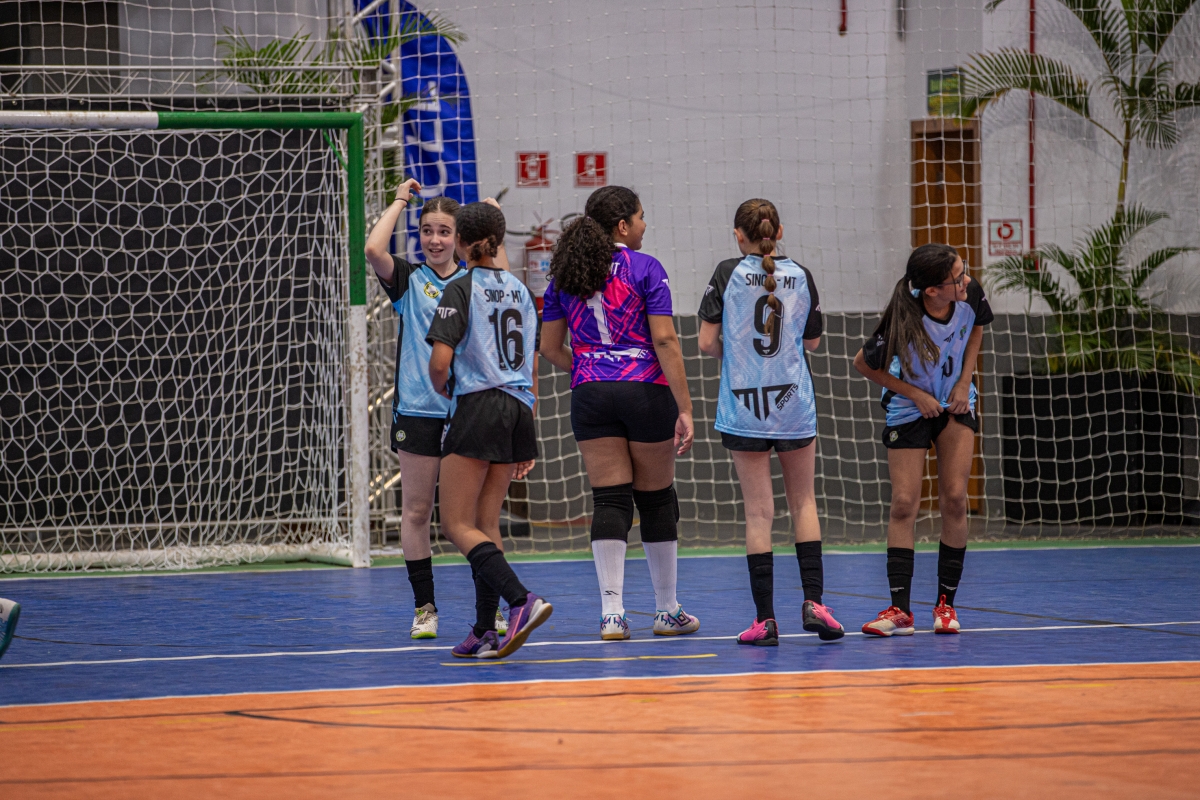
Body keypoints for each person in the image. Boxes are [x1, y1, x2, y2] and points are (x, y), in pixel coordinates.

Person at [539, 185, 699, 641]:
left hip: (591, 392)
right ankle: (666, 611)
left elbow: (549, 348)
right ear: (623, 225)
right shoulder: (645, 267)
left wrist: (591, 368)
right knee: (656, 498)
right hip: (644, 389)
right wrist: (685, 407)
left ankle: (612, 614)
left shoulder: (565, 272)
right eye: (641, 216)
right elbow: (665, 340)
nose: (646, 225)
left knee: (609, 499)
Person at [366, 181, 512, 639]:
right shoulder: (409, 280)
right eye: (427, 230)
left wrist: (493, 224)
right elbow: (373, 249)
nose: (434, 239)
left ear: (459, 237)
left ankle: (491, 609)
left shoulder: (476, 281)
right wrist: (400, 200)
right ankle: (424, 608)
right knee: (416, 512)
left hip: (468, 413)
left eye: (444, 231)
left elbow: (505, 278)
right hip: (418, 412)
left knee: (477, 519)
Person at [698, 198, 843, 646]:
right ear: (778, 232)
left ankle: (765, 621)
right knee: (804, 502)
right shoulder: (802, 274)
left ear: (738, 236)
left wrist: (736, 356)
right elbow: (813, 343)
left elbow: (705, 343)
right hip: (793, 402)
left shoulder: (727, 273)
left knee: (759, 512)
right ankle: (815, 603)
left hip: (744, 404)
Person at [427, 201, 552, 659]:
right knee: (485, 523)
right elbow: (532, 367)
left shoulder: (460, 288)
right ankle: (484, 628)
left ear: (460, 241)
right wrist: (526, 427)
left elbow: (439, 363)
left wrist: (443, 388)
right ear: (499, 242)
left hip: (479, 405)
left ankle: (520, 600)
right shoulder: (522, 291)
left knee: (455, 523)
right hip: (519, 406)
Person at [852, 243, 993, 636]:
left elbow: (977, 326)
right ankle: (900, 610)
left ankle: (946, 605)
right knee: (904, 503)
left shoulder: (970, 294)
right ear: (931, 290)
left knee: (955, 498)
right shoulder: (904, 316)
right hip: (911, 407)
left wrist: (965, 382)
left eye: (963, 271)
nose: (966, 280)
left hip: (955, 401)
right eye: (957, 277)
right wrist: (915, 394)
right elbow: (863, 364)